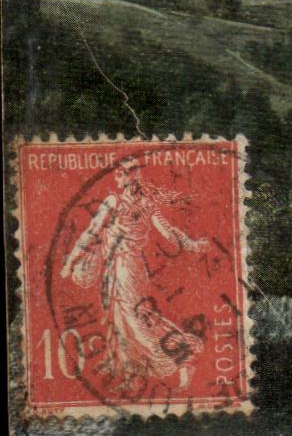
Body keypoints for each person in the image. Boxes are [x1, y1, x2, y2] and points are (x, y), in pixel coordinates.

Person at [59, 157, 209, 394]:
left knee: (134, 321)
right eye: (117, 173)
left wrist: (70, 263)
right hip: (132, 268)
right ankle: (137, 373)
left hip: (124, 269)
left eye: (121, 173)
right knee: (125, 322)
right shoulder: (147, 203)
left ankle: (183, 356)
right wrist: (192, 245)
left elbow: (91, 232)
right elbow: (169, 232)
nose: (117, 177)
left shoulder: (114, 201)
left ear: (131, 176)